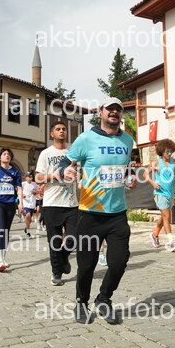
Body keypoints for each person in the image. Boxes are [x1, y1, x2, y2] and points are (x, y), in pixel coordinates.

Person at [57, 97, 136, 325]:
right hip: (90, 213)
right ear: (100, 112)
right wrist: (65, 173)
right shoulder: (86, 138)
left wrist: (130, 177)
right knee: (87, 265)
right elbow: (64, 164)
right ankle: (81, 302)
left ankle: (104, 299)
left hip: (117, 214)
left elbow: (127, 167)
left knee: (119, 262)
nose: (114, 112)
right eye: (110, 109)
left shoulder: (127, 140)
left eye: (118, 109)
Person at [35, 121, 79, 286]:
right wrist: (54, 175)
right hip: (52, 203)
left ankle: (63, 258)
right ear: (52, 134)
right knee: (54, 241)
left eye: (64, 129)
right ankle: (56, 273)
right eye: (58, 129)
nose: (62, 131)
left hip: (71, 203)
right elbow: (38, 178)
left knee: (74, 239)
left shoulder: (73, 153)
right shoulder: (46, 153)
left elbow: (80, 174)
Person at [0, 148, 24, 272]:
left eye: (8, 154)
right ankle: (0, 261)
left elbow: (19, 189)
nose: (7, 156)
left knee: (6, 231)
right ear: (0, 157)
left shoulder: (15, 171)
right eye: (4, 154)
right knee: (0, 230)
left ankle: (4, 258)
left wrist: (21, 203)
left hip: (10, 204)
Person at [145, 139, 175, 251]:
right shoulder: (156, 163)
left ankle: (155, 235)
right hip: (160, 193)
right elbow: (145, 174)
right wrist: (153, 183)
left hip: (170, 194)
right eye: (167, 152)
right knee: (167, 216)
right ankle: (171, 241)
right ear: (161, 151)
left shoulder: (174, 162)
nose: (170, 154)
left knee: (164, 216)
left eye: (171, 151)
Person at [22, 172, 38, 237]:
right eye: (29, 177)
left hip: (32, 203)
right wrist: (22, 195)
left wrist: (34, 192)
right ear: (26, 177)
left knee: (30, 220)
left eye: (31, 176)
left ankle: (26, 228)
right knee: (28, 216)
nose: (30, 178)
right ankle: (28, 233)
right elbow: (18, 191)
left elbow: (38, 192)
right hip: (25, 203)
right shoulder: (23, 184)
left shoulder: (34, 184)